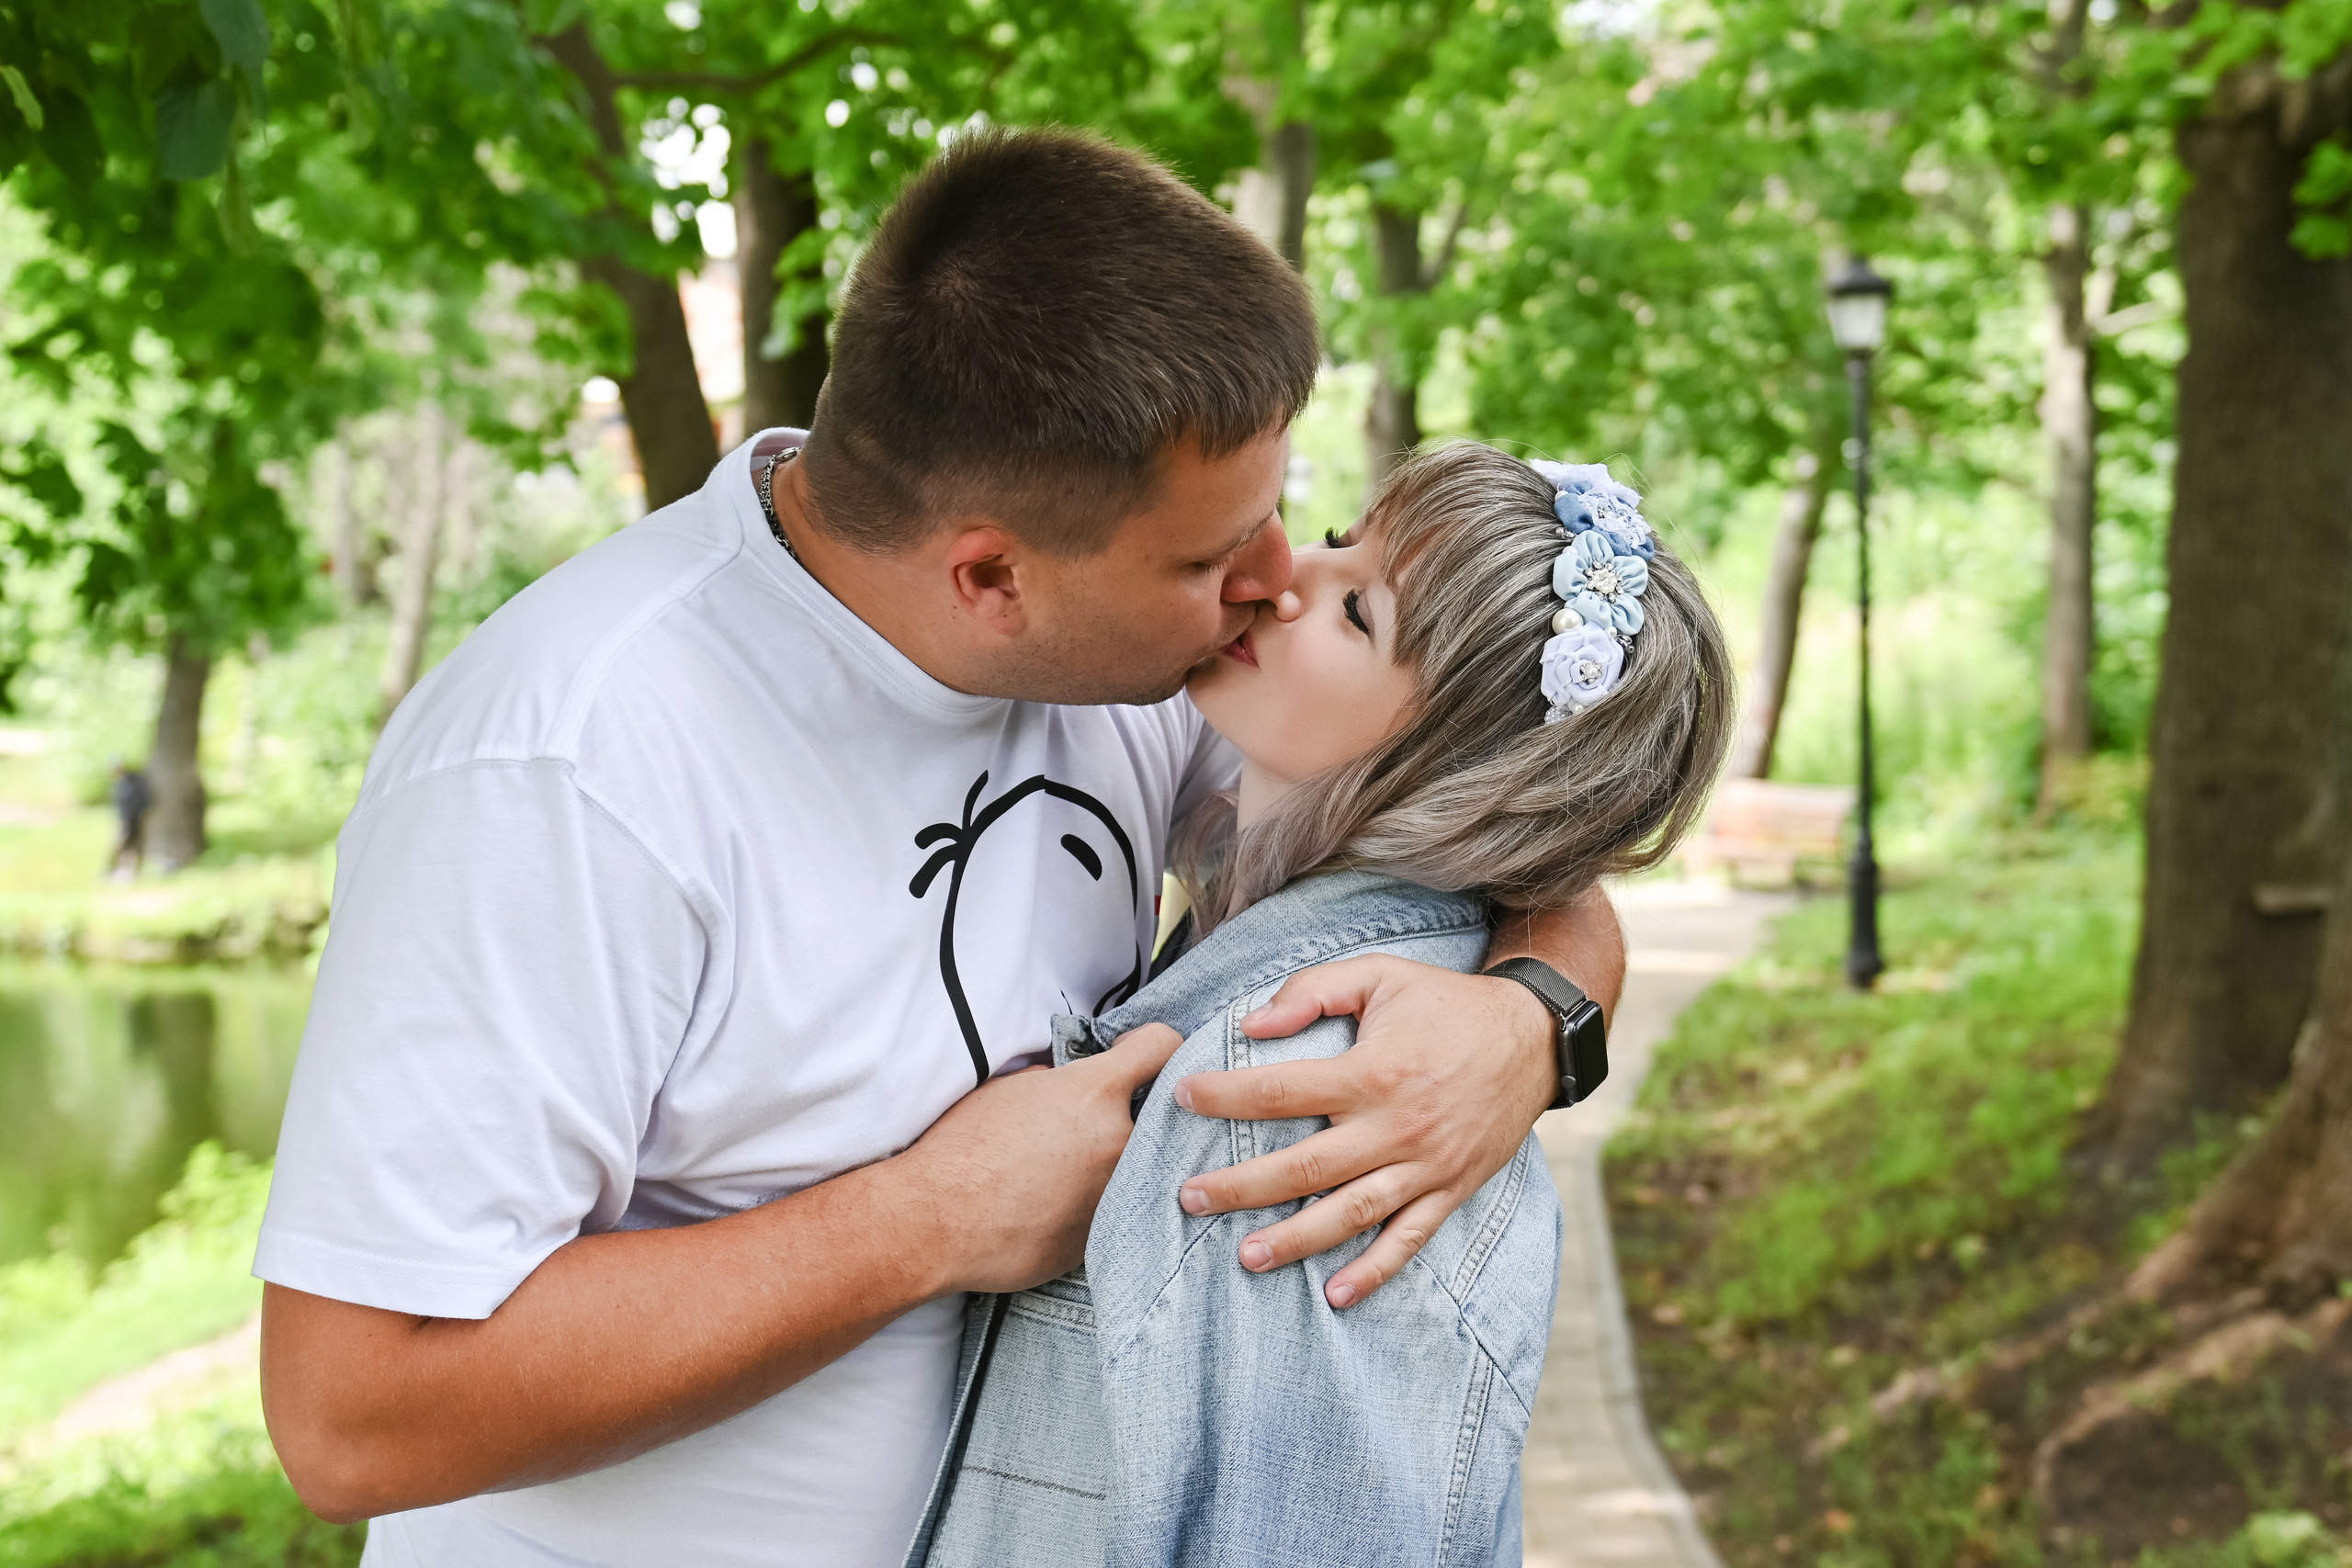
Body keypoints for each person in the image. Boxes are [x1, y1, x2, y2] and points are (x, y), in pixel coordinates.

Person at [254, 130, 1627, 1568]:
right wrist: (931, 1215)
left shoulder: (1146, 657)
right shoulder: (572, 765)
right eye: (1213, 557)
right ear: (990, 576)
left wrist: (1533, 1021)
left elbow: (1486, 831)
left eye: (1279, 514)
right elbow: (354, 1410)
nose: (1277, 583)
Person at [908, 446, 1732, 1567]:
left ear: (1453, 763)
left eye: (1359, 612)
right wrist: (1537, 1012)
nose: (1288, 571)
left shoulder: (1304, 1083)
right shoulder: (1274, 925)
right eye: (1341, 533)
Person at [107, 758, 150, 880]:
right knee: (121, 843)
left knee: (130, 843)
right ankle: (117, 868)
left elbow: (142, 801)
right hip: (124, 818)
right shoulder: (120, 783)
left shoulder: (133, 782)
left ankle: (131, 870)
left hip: (133, 818)